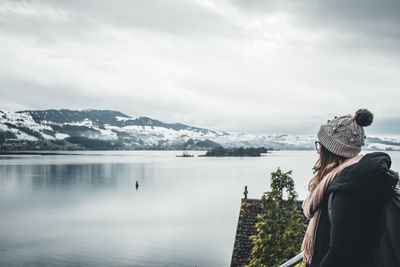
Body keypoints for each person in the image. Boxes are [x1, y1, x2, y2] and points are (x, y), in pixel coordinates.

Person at [301, 109, 398, 267]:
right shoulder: (350, 179)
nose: (318, 150)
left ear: (330, 151)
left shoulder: (347, 187)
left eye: (321, 146)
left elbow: (341, 253)